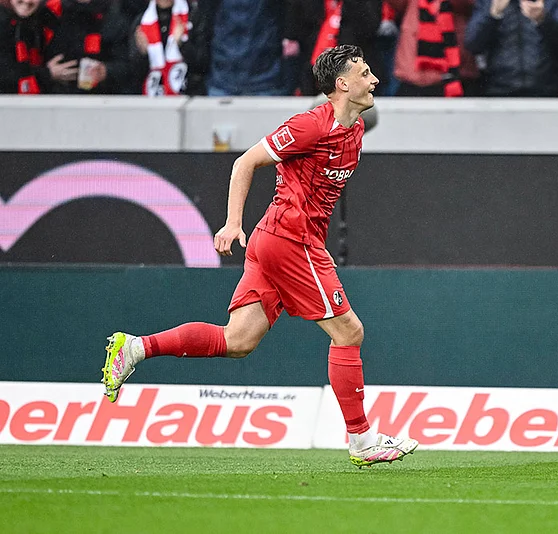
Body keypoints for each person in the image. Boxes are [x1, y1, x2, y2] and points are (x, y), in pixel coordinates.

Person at [101, 44, 419, 468]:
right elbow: (245, 161)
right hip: (289, 241)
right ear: (342, 84)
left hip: (290, 242)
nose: (374, 79)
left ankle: (136, 349)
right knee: (349, 332)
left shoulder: (355, 130)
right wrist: (233, 223)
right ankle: (362, 441)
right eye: (364, 73)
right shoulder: (309, 125)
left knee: (238, 341)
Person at [465, 0, 558, 97]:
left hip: (546, 90)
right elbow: (473, 44)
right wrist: (493, 14)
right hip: (499, 90)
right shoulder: (488, 2)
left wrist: (543, 20)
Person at [45, 0, 131, 94]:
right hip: (54, 98)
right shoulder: (50, 12)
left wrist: (106, 70)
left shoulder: (114, 15)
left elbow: (128, 66)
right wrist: (47, 73)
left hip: (101, 98)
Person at [0, 0, 73, 94]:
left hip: (38, 102)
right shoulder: (3, 23)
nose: (27, 1)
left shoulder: (46, 20)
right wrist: (46, 74)